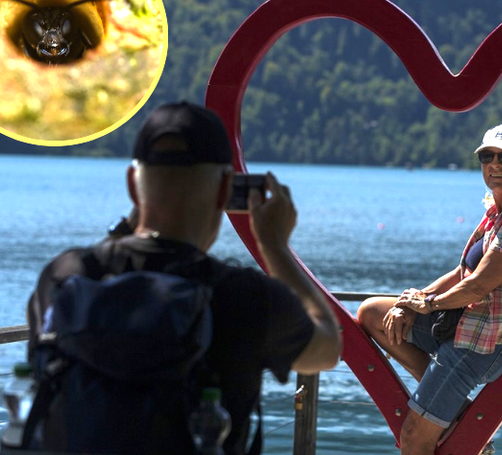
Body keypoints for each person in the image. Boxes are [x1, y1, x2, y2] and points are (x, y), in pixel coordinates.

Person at [26, 102, 342, 454]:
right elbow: (327, 348)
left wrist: (132, 225)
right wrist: (274, 245)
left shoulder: (65, 276)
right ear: (225, 191)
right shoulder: (246, 297)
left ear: (133, 185)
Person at [358, 123, 502, 455]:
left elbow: (479, 285)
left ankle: (447, 410)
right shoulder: (499, 211)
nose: (495, 164)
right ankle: (457, 412)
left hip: (487, 343)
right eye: (487, 156)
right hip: (466, 325)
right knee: (374, 314)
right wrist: (413, 303)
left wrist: (431, 304)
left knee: (413, 438)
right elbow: (462, 273)